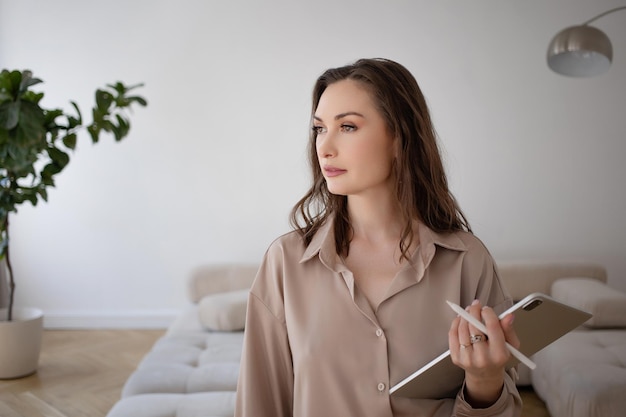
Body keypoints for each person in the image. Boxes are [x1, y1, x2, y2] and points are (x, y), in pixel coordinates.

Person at [234, 58, 522, 417]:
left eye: (348, 127)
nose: (325, 147)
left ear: (399, 138)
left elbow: (504, 406)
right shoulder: (285, 262)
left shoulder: (467, 260)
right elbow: (260, 405)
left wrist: (483, 382)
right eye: (320, 129)